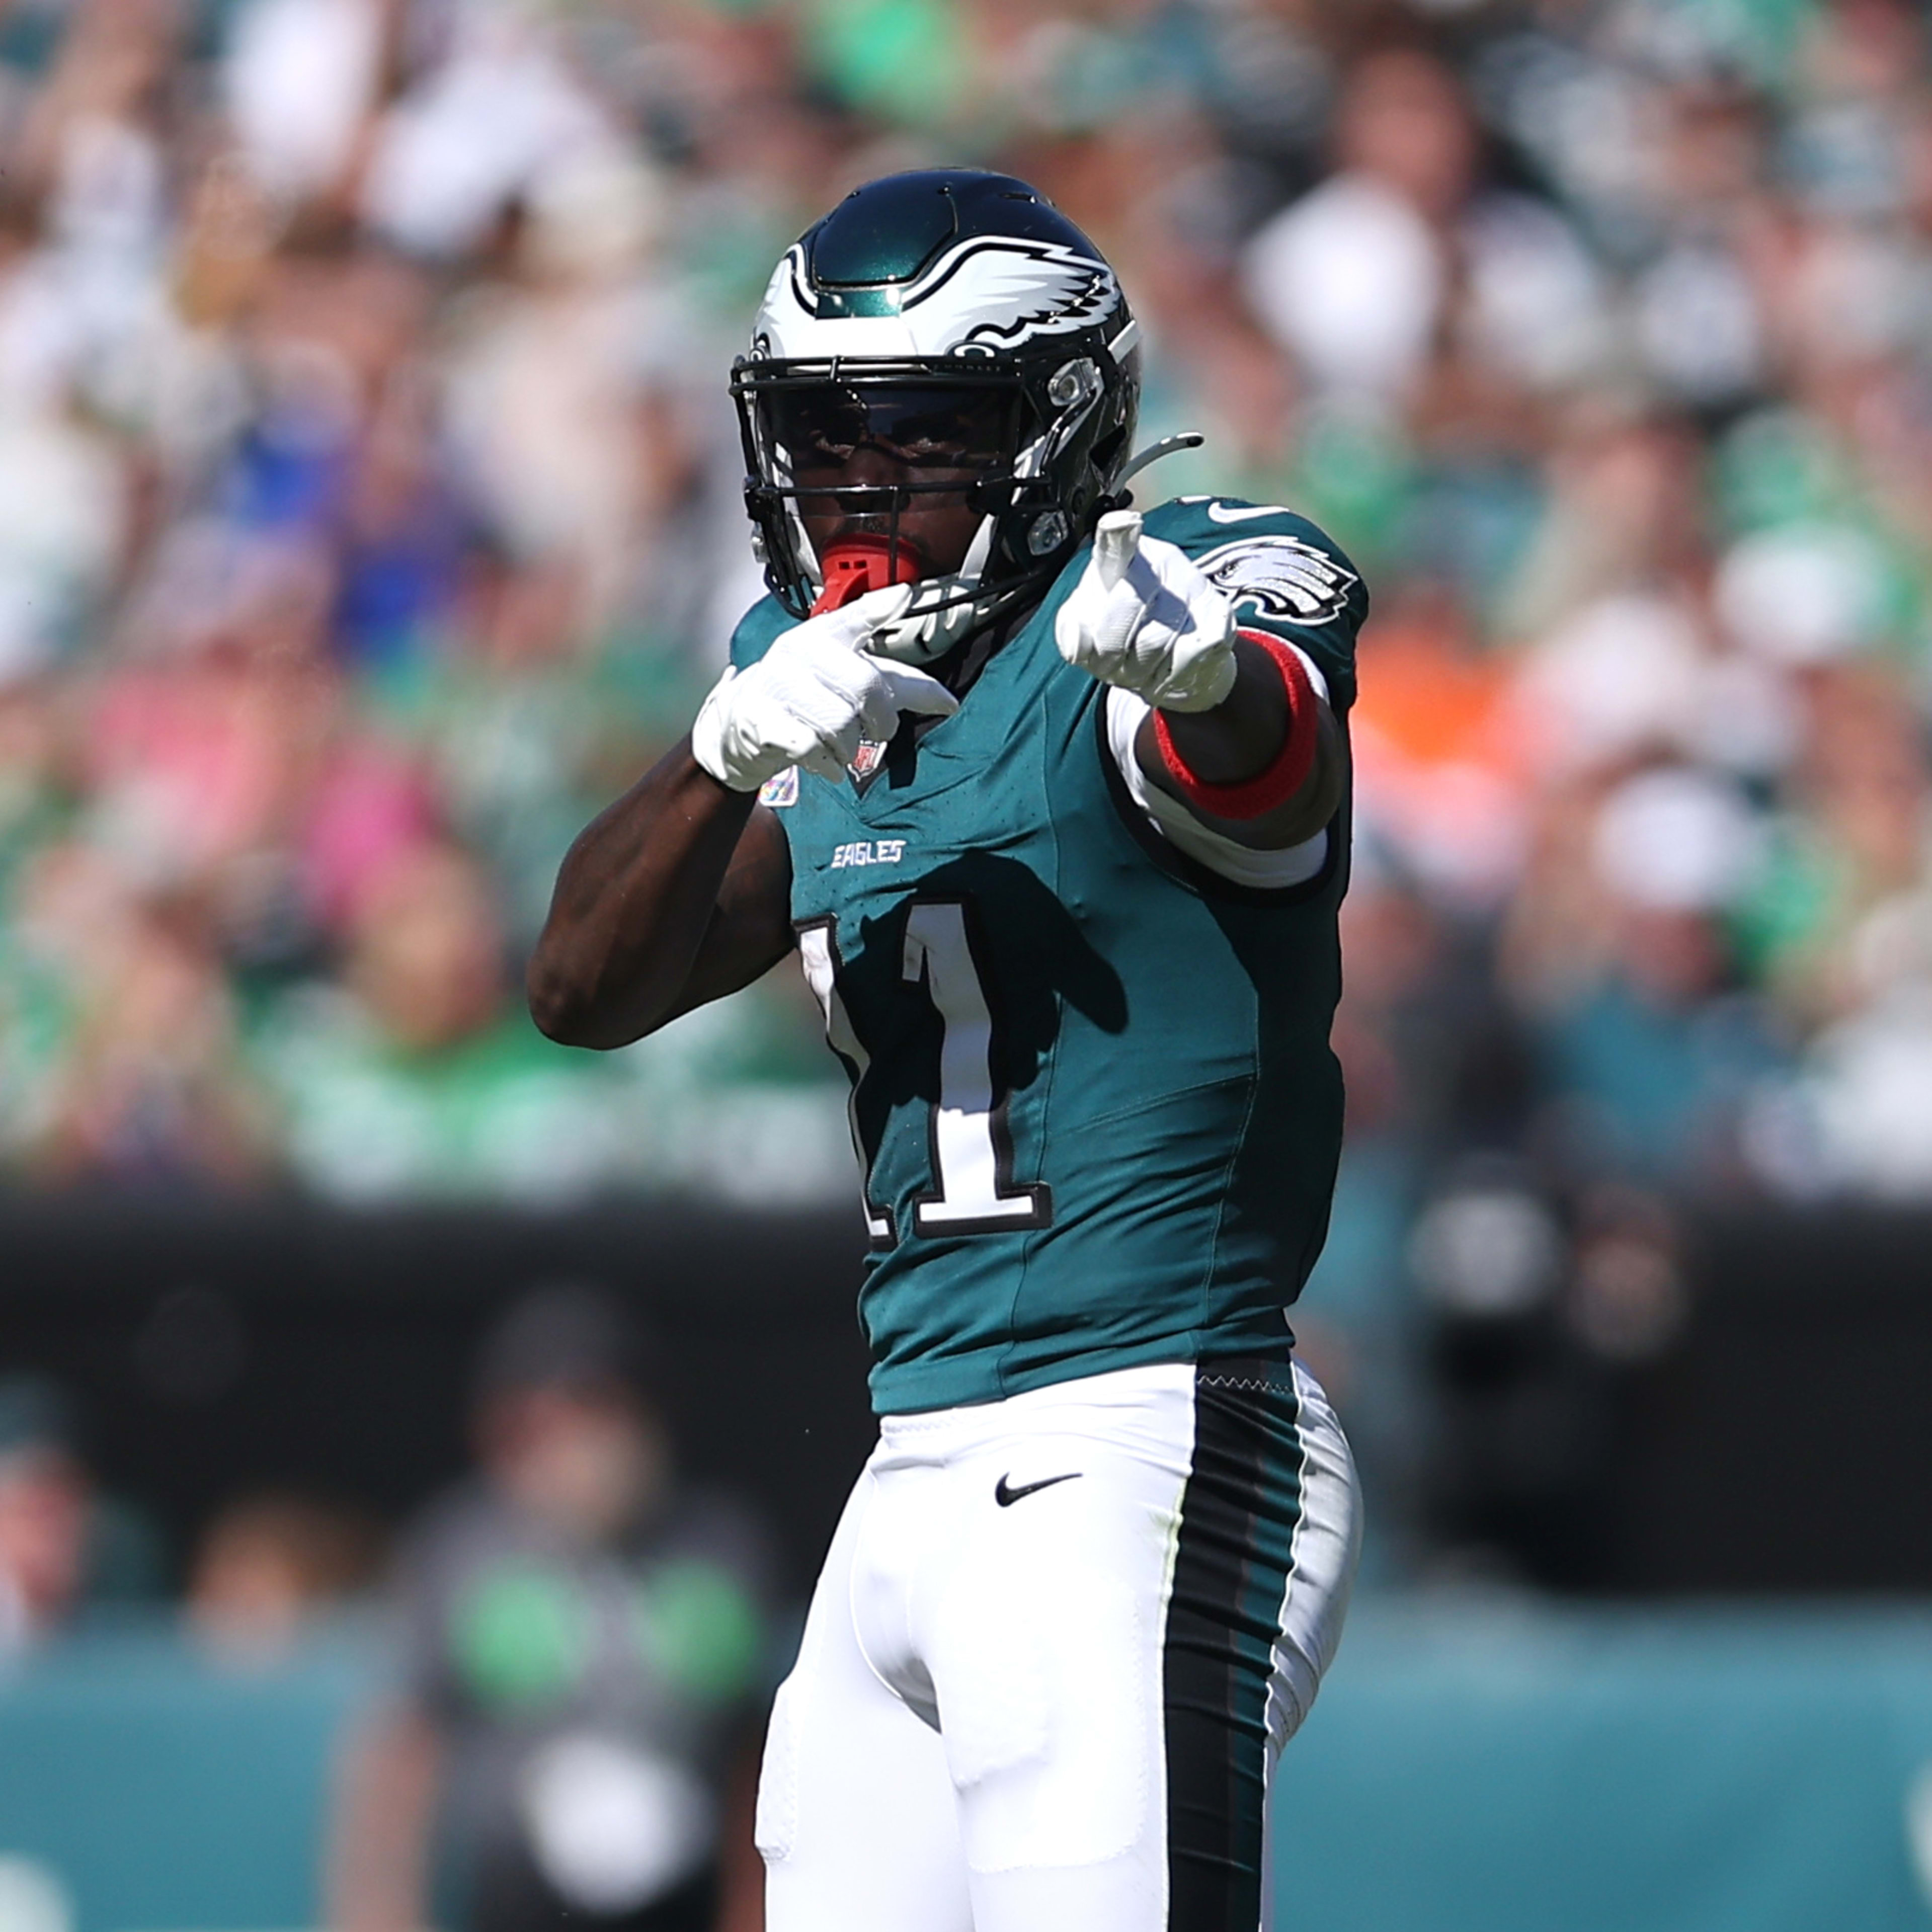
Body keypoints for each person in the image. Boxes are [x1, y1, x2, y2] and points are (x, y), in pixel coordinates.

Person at [529, 169, 1365, 1932]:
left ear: (1053, 428)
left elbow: (1272, 782)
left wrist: (1202, 682)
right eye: (820, 432)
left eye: (915, 429)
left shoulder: (1168, 595)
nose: (854, 481)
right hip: (911, 1461)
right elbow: (583, 987)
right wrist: (720, 754)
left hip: (1141, 1424)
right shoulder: (810, 671)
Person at [328, 1287, 770, 1932]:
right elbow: (404, 1747)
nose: (579, 1450)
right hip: (516, 1904)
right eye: (546, 1425)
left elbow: (754, 1756)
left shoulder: (720, 1549)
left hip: (684, 1900)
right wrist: (379, 1913)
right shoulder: (460, 1550)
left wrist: (754, 1912)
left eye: (600, 1414)